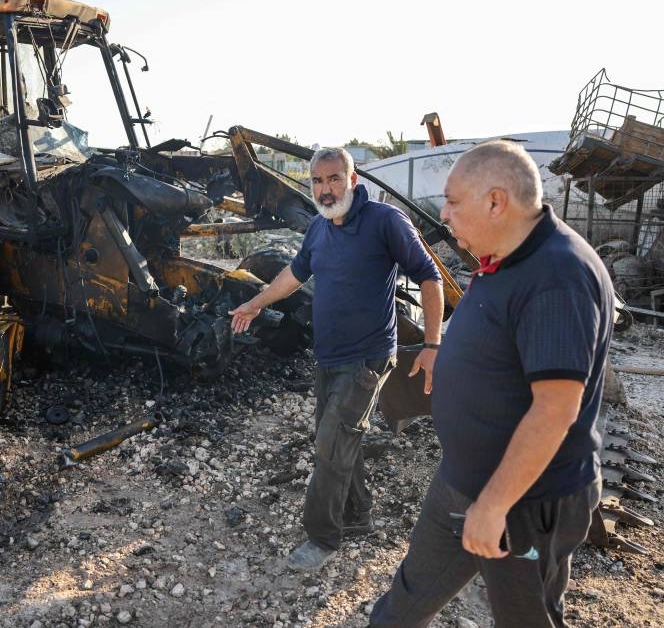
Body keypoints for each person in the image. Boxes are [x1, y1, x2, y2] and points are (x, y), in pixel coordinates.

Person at [369, 140, 613, 627]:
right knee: (405, 601)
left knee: (526, 619)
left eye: (454, 201)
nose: (445, 213)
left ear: (496, 201)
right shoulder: (505, 254)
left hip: (523, 502)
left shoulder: (558, 275)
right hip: (460, 481)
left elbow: (555, 409)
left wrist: (494, 504)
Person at [231, 147, 444, 572]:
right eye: (317, 181)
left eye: (333, 179)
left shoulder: (385, 222)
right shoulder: (317, 228)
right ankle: (359, 514)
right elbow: (294, 275)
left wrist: (433, 345)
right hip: (327, 357)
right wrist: (255, 302)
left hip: (367, 357)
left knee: (330, 444)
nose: (326, 190)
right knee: (343, 438)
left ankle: (322, 536)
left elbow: (429, 276)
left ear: (353, 180)